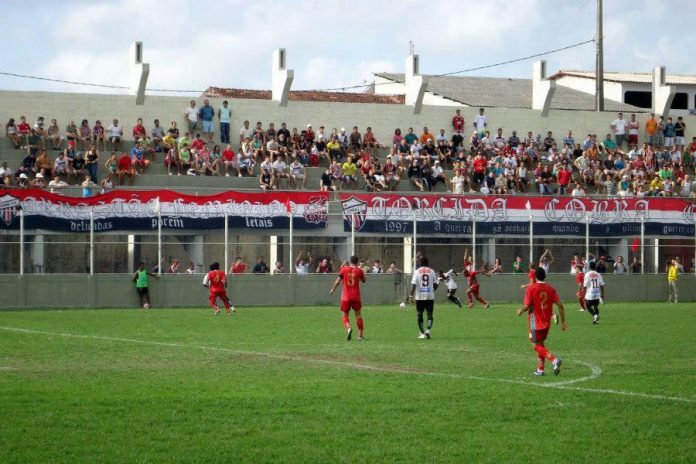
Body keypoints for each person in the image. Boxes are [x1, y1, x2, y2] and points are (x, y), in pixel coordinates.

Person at [516, 267, 567, 376]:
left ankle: (554, 360)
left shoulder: (531, 288)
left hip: (535, 321)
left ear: (534, 277)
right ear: (545, 276)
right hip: (546, 321)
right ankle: (540, 369)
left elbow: (527, 306)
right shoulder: (551, 289)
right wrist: (563, 322)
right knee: (541, 344)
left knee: (535, 346)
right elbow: (560, 305)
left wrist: (520, 310)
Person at [330, 255, 367, 341]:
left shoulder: (344, 269)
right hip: (356, 297)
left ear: (350, 261)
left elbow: (337, 281)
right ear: (357, 262)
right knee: (358, 315)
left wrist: (333, 289)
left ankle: (349, 328)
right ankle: (360, 336)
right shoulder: (359, 270)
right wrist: (361, 270)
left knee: (344, 315)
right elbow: (364, 280)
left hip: (345, 297)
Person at [410, 256, 438, 339]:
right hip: (430, 296)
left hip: (419, 297)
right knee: (430, 314)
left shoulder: (417, 271)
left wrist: (411, 295)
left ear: (420, 263)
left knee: (420, 314)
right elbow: (435, 285)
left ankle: (422, 333)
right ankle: (428, 330)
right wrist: (432, 290)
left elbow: (414, 284)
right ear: (427, 263)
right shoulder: (432, 271)